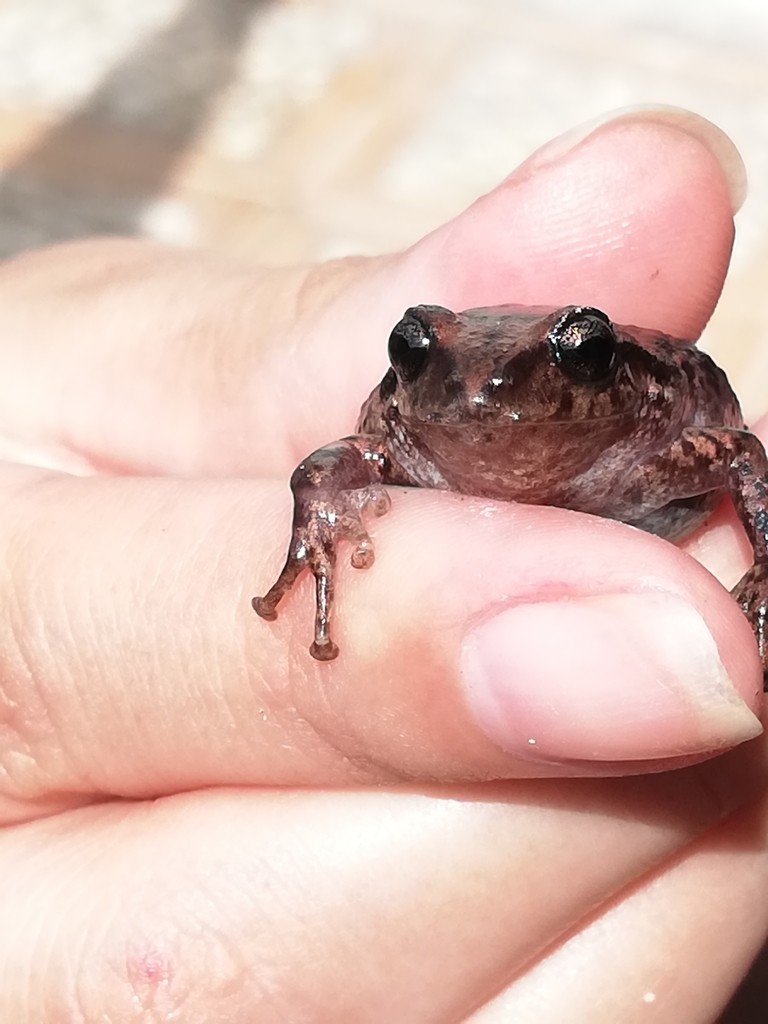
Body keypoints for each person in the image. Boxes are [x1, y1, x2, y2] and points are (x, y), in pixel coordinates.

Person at [0, 106, 765, 1020]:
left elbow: (742, 456)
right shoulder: (405, 431)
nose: (485, 392)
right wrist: (317, 528)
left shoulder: (653, 441)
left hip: (631, 484)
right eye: (415, 351)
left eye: (584, 353)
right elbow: (328, 465)